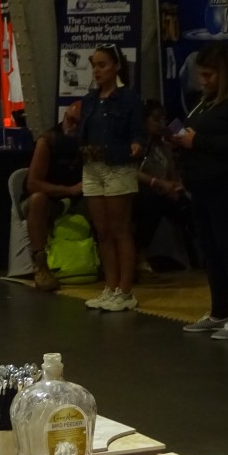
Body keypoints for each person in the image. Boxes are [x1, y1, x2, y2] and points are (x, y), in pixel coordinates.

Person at [172, 40, 228, 340]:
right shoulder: (205, 100)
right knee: (210, 251)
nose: (204, 81)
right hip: (202, 185)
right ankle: (218, 312)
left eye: (210, 75)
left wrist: (197, 142)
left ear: (224, 72)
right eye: (202, 75)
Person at [77, 43, 144, 312]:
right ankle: (110, 286)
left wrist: (137, 144)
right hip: (92, 167)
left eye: (102, 65)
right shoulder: (90, 100)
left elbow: (138, 132)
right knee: (102, 232)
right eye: (94, 65)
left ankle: (125, 291)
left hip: (118, 166)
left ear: (116, 66)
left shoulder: (128, 99)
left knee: (120, 230)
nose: (96, 70)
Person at [24, 100, 83, 292]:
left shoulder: (89, 142)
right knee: (38, 200)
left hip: (76, 198)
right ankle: (41, 266)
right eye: (69, 120)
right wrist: (69, 190)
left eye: (77, 123)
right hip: (49, 198)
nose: (71, 126)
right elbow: (32, 183)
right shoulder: (48, 140)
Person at [134, 99, 194, 274]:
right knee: (153, 201)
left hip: (164, 190)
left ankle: (204, 256)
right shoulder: (138, 142)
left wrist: (176, 186)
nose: (161, 123)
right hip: (142, 191)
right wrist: (159, 184)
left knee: (187, 207)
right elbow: (131, 171)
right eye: (156, 119)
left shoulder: (161, 143)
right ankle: (140, 254)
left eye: (163, 119)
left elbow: (172, 170)